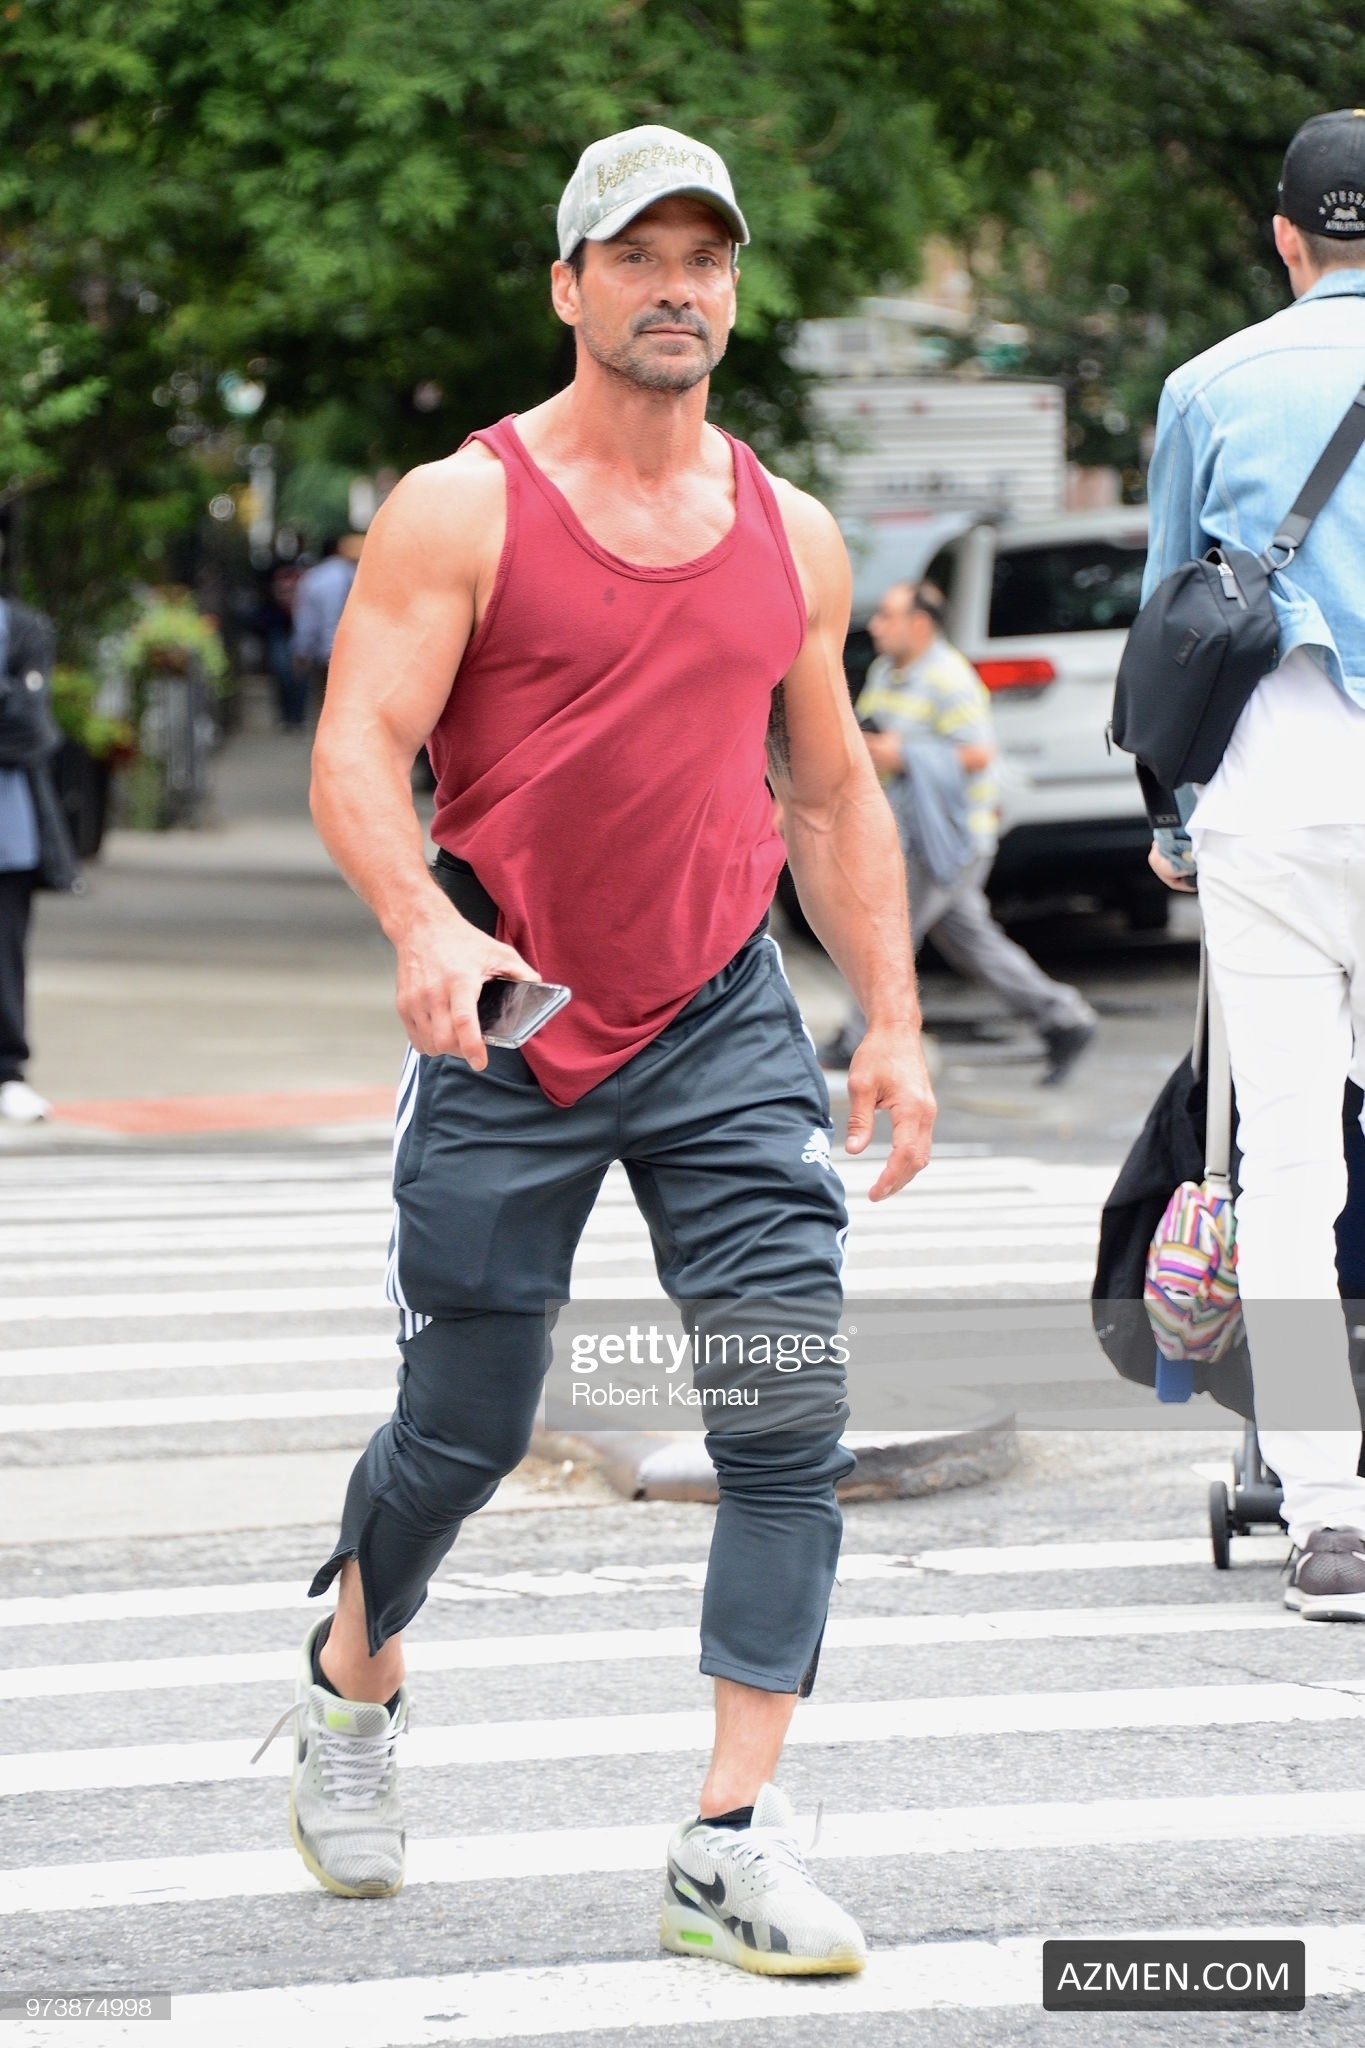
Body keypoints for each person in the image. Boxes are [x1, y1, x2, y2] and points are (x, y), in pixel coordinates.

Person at [267, 125, 936, 1973]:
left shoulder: (790, 529)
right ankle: (352, 1677)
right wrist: (424, 924)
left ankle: (729, 1841)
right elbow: (355, 749)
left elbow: (829, 789)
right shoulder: (461, 508)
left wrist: (889, 1016)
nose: (675, 288)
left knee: (786, 1416)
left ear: (735, 289)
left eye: (704, 258)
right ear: (568, 285)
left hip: (724, 1017)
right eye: (635, 255)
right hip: (513, 1019)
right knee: (465, 1430)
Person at [1146, 108, 1365, 1615]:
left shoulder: (1208, 387)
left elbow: (1173, 619)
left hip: (1267, 794)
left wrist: (1173, 823)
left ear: (1285, 239)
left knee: (1287, 1163)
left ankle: (1329, 1518)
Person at [820, 579, 1097, 1084]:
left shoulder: (950, 678)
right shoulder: (887, 672)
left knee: (886, 933)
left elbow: (978, 754)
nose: (876, 626)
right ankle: (1064, 1018)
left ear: (920, 623)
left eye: (887, 616)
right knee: (970, 939)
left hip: (948, 838)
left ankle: (856, 1038)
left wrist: (903, 754)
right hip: (912, 831)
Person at [0, 592, 78, 1122]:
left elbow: (32, 731)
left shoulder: (21, 627)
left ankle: (7, 1072)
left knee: (4, 957)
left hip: (8, 834)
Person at [290, 532, 363, 710]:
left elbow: (306, 620)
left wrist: (302, 650)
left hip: (325, 653)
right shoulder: (358, 575)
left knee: (327, 704)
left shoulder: (313, 578)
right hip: (357, 652)